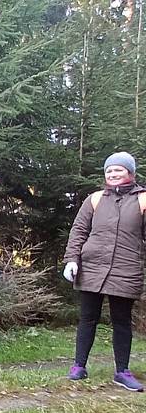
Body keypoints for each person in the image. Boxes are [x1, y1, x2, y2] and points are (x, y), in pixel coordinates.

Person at [63, 151, 146, 392]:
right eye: (109, 170)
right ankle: (79, 366)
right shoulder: (95, 199)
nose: (113, 174)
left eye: (118, 170)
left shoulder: (142, 200)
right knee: (88, 318)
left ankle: (122, 371)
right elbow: (78, 230)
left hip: (126, 269)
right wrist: (72, 259)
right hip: (91, 267)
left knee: (122, 321)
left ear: (130, 172)